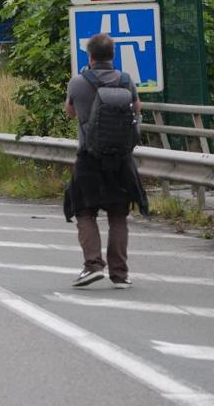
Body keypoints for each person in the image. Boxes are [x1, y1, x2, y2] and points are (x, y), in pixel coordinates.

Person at [63, 32, 149, 288]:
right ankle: (120, 275)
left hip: (89, 159)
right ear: (112, 56)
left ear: (90, 56)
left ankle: (93, 265)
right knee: (118, 216)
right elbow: (137, 109)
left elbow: (69, 113)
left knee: (85, 212)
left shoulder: (77, 82)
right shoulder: (126, 80)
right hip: (122, 161)